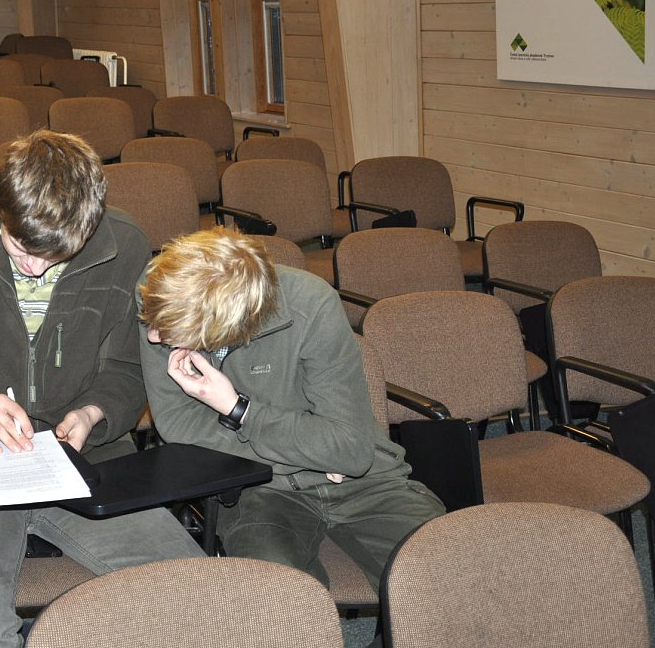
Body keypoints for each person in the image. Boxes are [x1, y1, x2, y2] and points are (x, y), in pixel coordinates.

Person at [0, 130, 204, 648]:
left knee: (200, 594)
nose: (37, 268)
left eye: (58, 255)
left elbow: (129, 367)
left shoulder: (124, 244)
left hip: (85, 458)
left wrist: (94, 412)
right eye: (22, 248)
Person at [138, 226, 445, 593]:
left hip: (367, 483)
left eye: (169, 330)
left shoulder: (311, 303)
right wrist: (312, 451)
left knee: (442, 573)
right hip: (260, 487)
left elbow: (351, 450)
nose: (153, 336)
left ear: (230, 326)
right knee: (282, 600)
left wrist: (238, 410)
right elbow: (180, 425)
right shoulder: (161, 296)